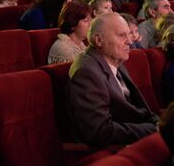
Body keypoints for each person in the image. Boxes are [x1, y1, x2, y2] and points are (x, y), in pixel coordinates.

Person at [66, 13, 158, 146]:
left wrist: (162, 123)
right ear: (99, 40)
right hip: (110, 152)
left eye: (129, 35)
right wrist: (154, 130)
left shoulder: (114, 60)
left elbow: (133, 110)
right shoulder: (86, 73)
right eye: (122, 35)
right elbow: (100, 132)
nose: (130, 41)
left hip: (132, 138)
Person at [48, 0, 92, 64]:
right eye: (86, 21)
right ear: (72, 23)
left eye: (90, 20)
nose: (90, 24)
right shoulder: (63, 48)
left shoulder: (82, 44)